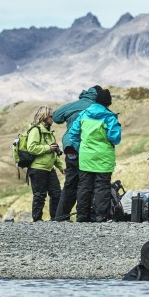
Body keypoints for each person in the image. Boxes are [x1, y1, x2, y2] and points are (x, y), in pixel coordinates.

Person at [66, 88, 121, 222]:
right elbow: (115, 138)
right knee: (102, 186)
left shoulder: (84, 114)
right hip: (103, 158)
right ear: (108, 103)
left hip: (85, 158)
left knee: (84, 186)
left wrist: (81, 148)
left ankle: (82, 216)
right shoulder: (109, 117)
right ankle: (100, 216)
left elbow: (72, 133)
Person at [51, 86, 102, 221]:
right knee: (87, 182)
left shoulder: (73, 105)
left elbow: (56, 116)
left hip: (71, 148)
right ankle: (83, 216)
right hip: (88, 149)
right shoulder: (97, 107)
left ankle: (61, 217)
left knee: (70, 183)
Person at [25, 106, 64, 222]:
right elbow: (31, 148)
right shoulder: (35, 130)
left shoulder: (49, 132)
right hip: (37, 169)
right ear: (44, 117)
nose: (53, 119)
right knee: (40, 195)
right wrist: (48, 148)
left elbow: (54, 153)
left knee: (57, 193)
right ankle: (37, 220)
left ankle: (56, 218)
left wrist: (61, 167)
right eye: (51, 116)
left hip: (49, 168)